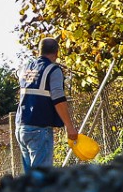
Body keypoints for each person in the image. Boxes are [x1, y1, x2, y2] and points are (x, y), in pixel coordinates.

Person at [17, 35, 78, 169]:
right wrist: (69, 126)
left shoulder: (25, 69)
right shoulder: (53, 70)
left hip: (21, 127)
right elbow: (58, 99)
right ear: (56, 52)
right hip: (39, 128)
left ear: (39, 51)